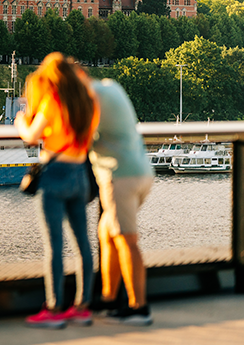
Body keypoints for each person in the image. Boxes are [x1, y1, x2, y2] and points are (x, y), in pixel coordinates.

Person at [15, 53, 100, 329]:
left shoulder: (53, 102)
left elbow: (31, 135)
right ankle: (82, 306)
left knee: (54, 246)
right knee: (83, 244)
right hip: (80, 174)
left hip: (55, 175)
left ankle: (53, 308)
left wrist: (19, 120)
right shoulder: (89, 103)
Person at [89, 78, 155, 325]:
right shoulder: (110, 87)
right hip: (142, 172)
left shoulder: (89, 98)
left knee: (127, 239)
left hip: (119, 177)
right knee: (107, 233)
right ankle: (108, 298)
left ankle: (139, 307)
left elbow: (81, 137)